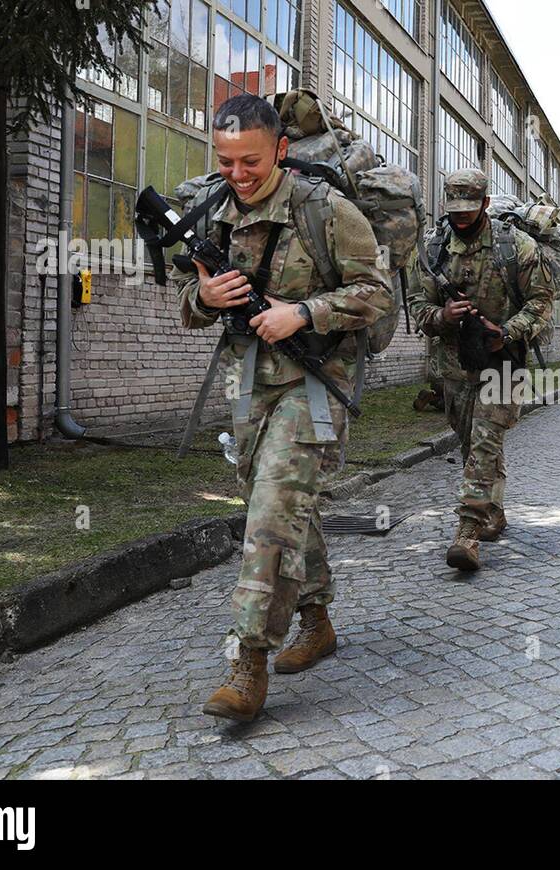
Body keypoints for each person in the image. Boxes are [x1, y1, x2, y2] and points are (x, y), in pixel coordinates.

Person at [175, 94, 393, 721]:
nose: (237, 175)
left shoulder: (326, 209)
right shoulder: (211, 212)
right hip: (247, 382)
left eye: (249, 161)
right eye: (225, 162)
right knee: (283, 504)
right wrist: (206, 295)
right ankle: (317, 620)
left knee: (272, 510)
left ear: (279, 150)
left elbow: (374, 294)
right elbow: (188, 305)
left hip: (316, 377)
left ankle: (248, 662)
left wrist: (303, 311)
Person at [406, 169, 555, 572]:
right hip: (454, 367)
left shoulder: (516, 248)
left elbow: (542, 302)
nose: (461, 218)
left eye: (469, 210)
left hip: (502, 363)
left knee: (486, 440)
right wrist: (443, 315)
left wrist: (506, 332)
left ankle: (467, 532)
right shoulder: (434, 248)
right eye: (454, 210)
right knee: (473, 444)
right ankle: (495, 512)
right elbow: (417, 305)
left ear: (485, 204)